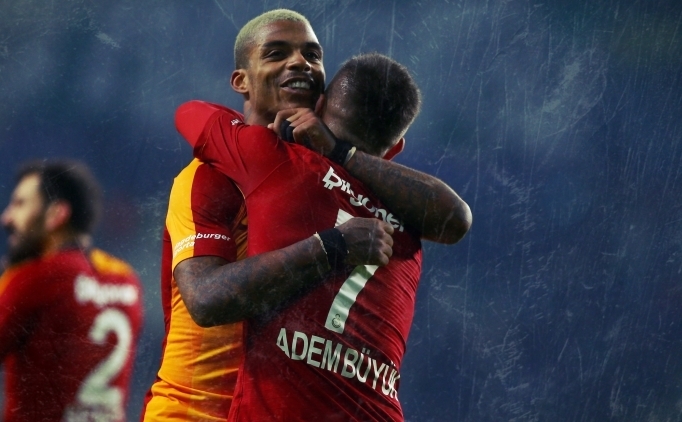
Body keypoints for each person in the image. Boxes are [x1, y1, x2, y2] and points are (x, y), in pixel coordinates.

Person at [144, 8, 469, 421]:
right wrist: (332, 246)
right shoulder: (210, 176)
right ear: (241, 81)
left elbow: (190, 112)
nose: (300, 62)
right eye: (276, 53)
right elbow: (205, 300)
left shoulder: (325, 179)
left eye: (313, 55)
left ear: (323, 99)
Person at [0, 159, 143, 422]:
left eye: (20, 204)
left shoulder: (34, 277)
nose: (7, 217)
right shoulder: (125, 278)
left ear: (57, 214)